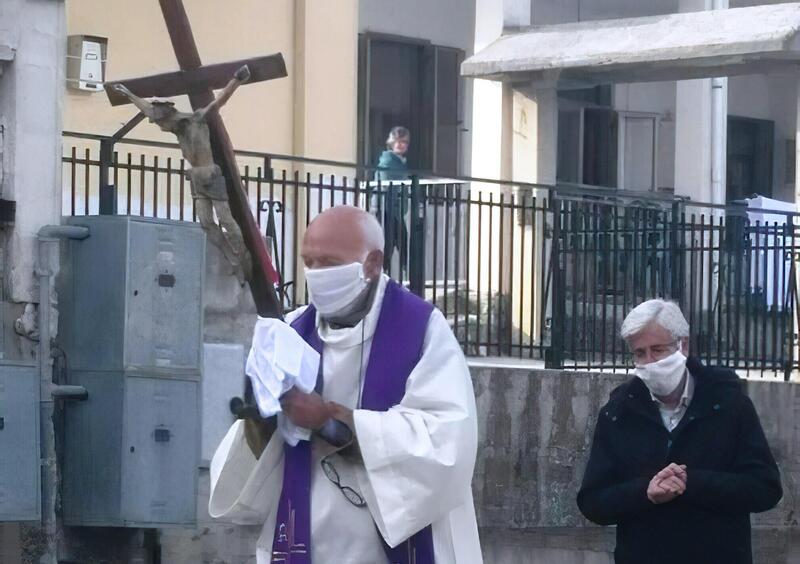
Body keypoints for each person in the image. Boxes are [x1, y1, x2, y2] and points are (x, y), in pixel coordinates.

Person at [208, 205, 482, 564]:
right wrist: (261, 416)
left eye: (329, 262)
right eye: (309, 262)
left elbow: (447, 443)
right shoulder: (290, 330)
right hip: (306, 537)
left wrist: (330, 422)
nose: (316, 274)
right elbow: (250, 464)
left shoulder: (422, 330)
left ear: (372, 264)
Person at [577, 299, 782, 564]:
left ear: (682, 345)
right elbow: (593, 501)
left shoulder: (729, 404)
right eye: (640, 353)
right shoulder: (618, 413)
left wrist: (691, 483)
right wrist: (645, 493)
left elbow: (765, 488)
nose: (649, 362)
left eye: (658, 350)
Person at [112, 66, 252, 282]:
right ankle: (230, 257)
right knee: (206, 222)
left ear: (168, 111)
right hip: (195, 177)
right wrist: (130, 94)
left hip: (211, 175)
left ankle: (243, 256)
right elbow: (148, 109)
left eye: (158, 118)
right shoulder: (175, 127)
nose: (156, 122)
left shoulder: (197, 119)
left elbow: (220, 101)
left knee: (226, 220)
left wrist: (237, 79)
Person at [375, 127, 411, 274]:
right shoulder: (389, 161)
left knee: (402, 244)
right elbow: (385, 185)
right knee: (388, 247)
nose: (401, 145)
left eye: (404, 142)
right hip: (388, 210)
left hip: (396, 210)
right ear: (391, 143)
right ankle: (380, 280)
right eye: (397, 141)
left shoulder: (400, 162)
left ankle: (393, 277)